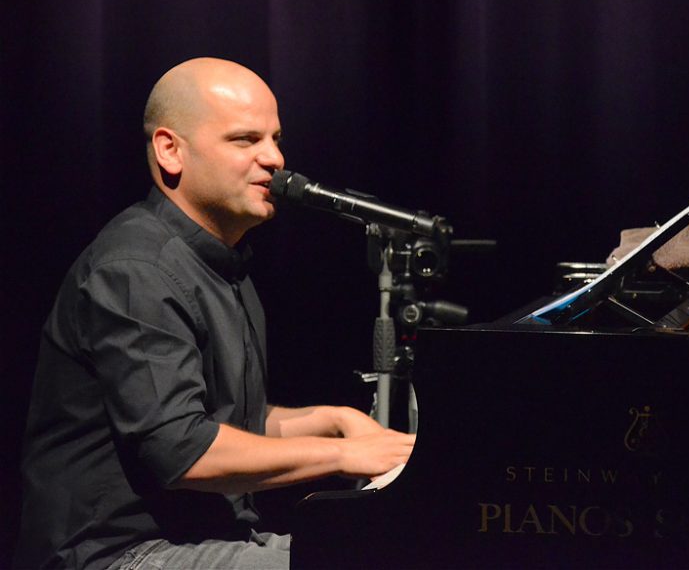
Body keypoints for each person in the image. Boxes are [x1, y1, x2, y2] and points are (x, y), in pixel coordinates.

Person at [15, 57, 415, 570]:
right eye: (245, 140)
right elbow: (184, 450)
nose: (275, 159)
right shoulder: (136, 270)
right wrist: (341, 456)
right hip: (116, 555)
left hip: (200, 538)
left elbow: (226, 419)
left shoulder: (219, 263)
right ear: (170, 150)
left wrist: (337, 422)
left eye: (275, 138)